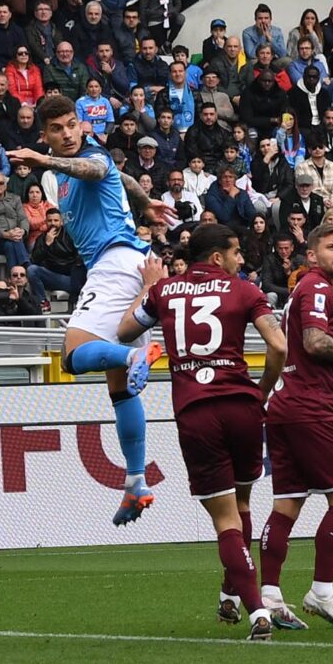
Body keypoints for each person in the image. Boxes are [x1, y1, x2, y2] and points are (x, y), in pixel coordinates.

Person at [13, 92, 177, 523]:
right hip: (133, 264)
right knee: (120, 388)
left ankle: (134, 354)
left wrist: (44, 160)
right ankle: (135, 482)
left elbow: (98, 168)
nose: (68, 134)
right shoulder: (60, 176)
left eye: (72, 124)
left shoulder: (86, 156)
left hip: (114, 264)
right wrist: (144, 202)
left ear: (81, 124)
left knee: (71, 355)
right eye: (57, 129)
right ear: (44, 132)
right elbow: (119, 179)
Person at [120, 224, 286, 639]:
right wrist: (261, 391)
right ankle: (230, 595)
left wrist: (151, 286)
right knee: (243, 504)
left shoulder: (165, 292)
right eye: (235, 253)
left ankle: (256, 612)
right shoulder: (245, 291)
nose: (241, 260)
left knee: (225, 518)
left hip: (196, 411)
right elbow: (279, 347)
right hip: (242, 406)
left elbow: (124, 331)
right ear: (216, 258)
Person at [259, 218, 333, 628]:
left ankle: (271, 595)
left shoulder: (308, 289)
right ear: (311, 255)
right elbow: (314, 342)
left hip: (284, 404)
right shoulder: (314, 286)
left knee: (287, 505)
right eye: (331, 247)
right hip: (309, 405)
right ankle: (321, 591)